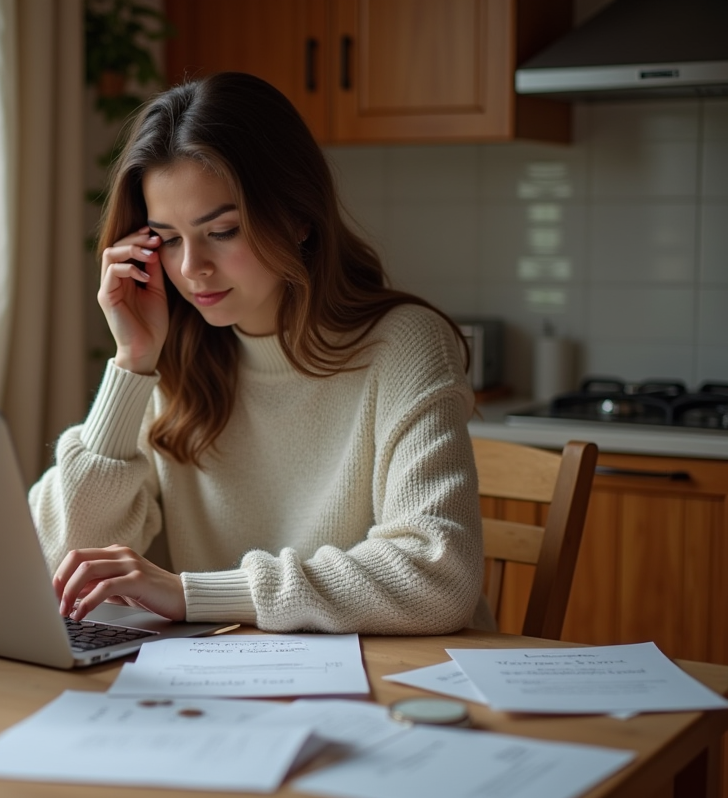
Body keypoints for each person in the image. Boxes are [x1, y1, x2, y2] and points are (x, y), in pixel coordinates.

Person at [29, 72, 493, 635]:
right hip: (222, 686)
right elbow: (61, 557)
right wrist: (132, 362)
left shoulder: (403, 346)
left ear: (298, 217)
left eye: (222, 231)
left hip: (387, 685)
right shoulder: (175, 358)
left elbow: (437, 576)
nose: (191, 268)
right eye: (168, 238)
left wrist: (192, 594)